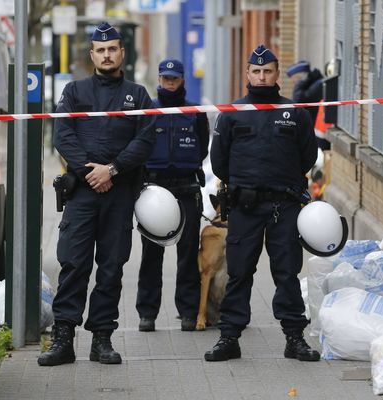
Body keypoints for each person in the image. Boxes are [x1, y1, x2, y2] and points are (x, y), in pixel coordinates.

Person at [38, 22, 156, 366]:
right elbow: (62, 135)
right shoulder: (75, 92)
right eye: (100, 50)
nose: (107, 55)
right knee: (73, 264)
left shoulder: (139, 94)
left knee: (111, 268)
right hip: (82, 194)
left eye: (113, 49)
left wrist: (113, 170)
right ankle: (63, 338)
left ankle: (101, 338)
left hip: (120, 195)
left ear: (122, 52)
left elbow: (145, 140)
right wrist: (92, 173)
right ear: (93, 55)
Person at [205, 44, 320, 362]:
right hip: (245, 207)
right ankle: (229, 337)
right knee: (239, 273)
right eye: (256, 71)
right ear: (247, 74)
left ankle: (294, 338)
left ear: (275, 73)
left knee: (287, 273)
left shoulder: (293, 112)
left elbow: (307, 157)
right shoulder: (231, 113)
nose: (261, 76)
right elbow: (219, 162)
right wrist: (245, 185)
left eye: (267, 71)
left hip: (284, 206)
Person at [136, 59, 209, 332]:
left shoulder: (194, 111)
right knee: (151, 254)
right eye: (165, 78)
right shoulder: (148, 111)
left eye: (174, 78)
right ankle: (147, 313)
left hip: (186, 188)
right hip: (154, 191)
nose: (169, 82)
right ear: (158, 79)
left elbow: (202, 147)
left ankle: (188, 312)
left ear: (182, 80)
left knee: (188, 254)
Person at [286, 60, 330, 150]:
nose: (294, 83)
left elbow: (298, 101)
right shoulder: (310, 84)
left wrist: (300, 83)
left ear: (301, 76)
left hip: (322, 133)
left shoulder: (318, 84)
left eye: (295, 79)